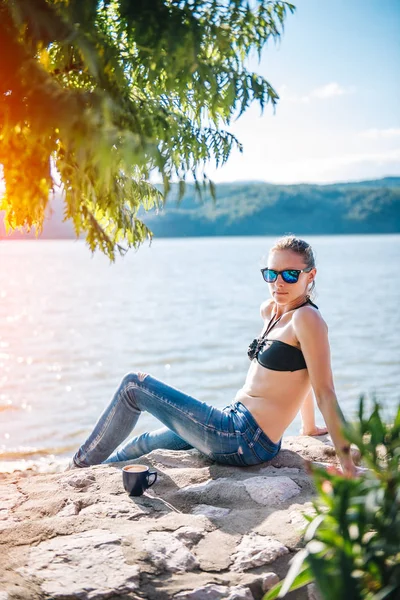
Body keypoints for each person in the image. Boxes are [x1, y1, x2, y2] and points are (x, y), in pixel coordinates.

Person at [69, 235, 356, 477]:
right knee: (143, 444)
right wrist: (307, 426)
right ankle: (93, 474)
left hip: (244, 438)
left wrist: (347, 464)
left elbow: (324, 391)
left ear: (311, 275)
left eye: (290, 274)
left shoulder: (307, 319)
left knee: (134, 386)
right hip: (234, 420)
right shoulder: (272, 311)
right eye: (271, 274)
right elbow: (299, 369)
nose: (278, 282)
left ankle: (79, 465)